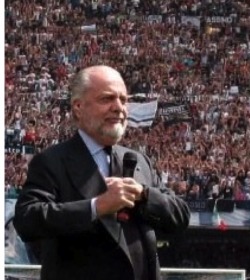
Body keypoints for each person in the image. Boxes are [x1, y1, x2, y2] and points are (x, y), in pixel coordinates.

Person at [13, 65, 191, 280]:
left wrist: (143, 195)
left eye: (123, 100)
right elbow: (27, 220)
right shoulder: (51, 161)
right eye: (107, 99)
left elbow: (180, 216)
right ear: (78, 107)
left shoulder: (139, 161)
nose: (119, 107)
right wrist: (97, 207)